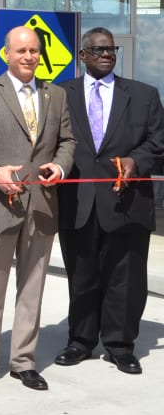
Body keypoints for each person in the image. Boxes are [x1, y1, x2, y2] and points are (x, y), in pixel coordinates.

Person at [0, 25, 75, 393]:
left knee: (33, 287)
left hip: (42, 205)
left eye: (34, 51)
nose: (28, 57)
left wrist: (59, 167)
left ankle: (23, 361)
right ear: (7, 53)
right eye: (21, 51)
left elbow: (67, 141)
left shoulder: (55, 94)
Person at [55, 28, 164, 374]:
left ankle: (120, 345)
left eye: (111, 49)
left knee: (126, 277)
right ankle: (81, 341)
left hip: (128, 202)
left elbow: (157, 143)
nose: (106, 54)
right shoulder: (60, 94)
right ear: (83, 55)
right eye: (98, 50)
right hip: (78, 200)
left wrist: (137, 161)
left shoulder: (145, 95)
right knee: (82, 275)